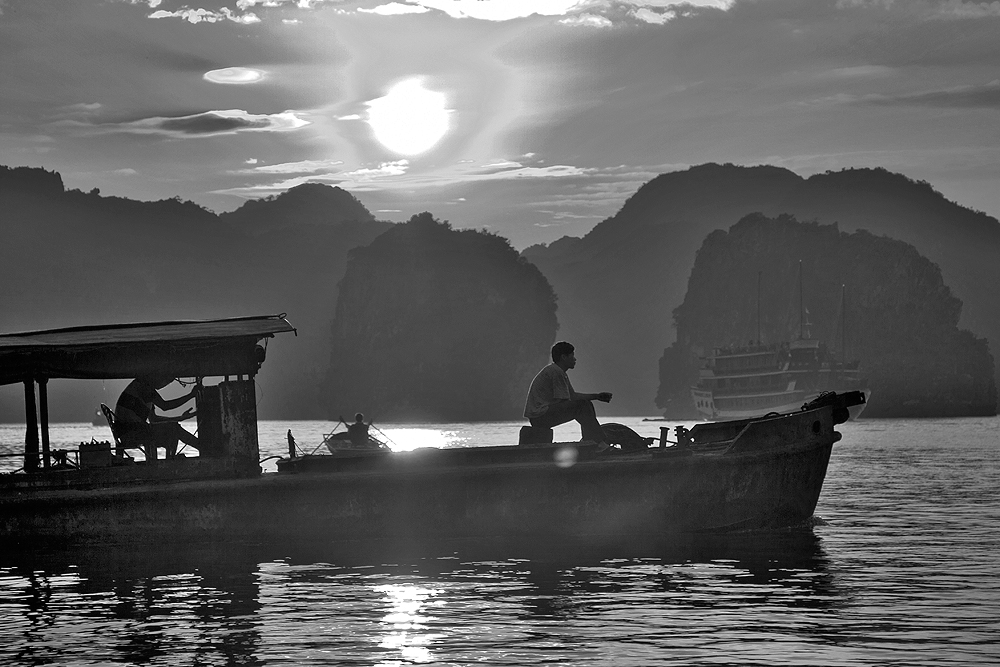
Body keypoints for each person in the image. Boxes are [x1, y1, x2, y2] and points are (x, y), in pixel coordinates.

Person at [523, 341, 612, 446]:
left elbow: (573, 396)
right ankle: (598, 442)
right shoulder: (556, 372)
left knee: (585, 403)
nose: (575, 359)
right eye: (572, 355)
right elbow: (567, 401)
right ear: (564, 357)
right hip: (540, 417)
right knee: (582, 405)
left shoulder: (559, 372)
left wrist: (597, 396)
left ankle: (593, 441)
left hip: (540, 416)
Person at [115, 376, 199, 459]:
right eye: (166, 381)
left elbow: (154, 419)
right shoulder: (144, 386)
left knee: (173, 427)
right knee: (173, 429)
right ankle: (202, 448)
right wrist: (191, 395)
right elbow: (165, 406)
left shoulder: (142, 388)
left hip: (130, 432)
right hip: (131, 432)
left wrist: (180, 418)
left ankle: (200, 447)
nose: (165, 385)